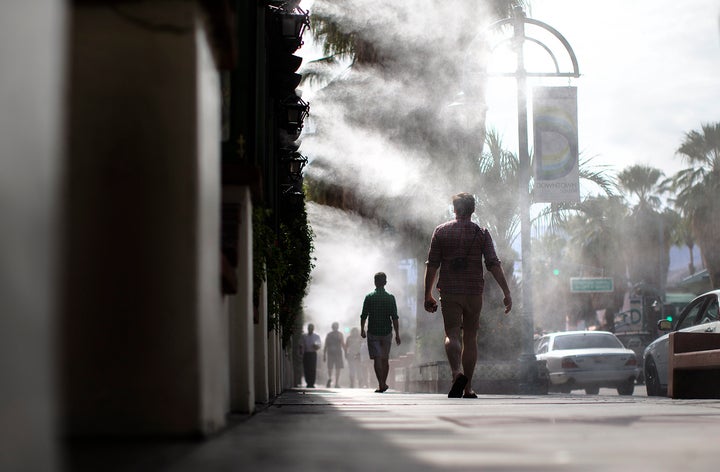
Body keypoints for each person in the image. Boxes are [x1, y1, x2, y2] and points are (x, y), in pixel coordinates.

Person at [423, 192, 512, 399]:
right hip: (473, 292)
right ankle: (468, 388)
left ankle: (456, 373)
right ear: (472, 210)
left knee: (451, 334)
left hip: (450, 291)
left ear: (454, 209)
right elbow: (493, 264)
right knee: (470, 337)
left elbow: (432, 265)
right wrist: (506, 292)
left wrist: (427, 293)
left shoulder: (441, 232)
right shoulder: (481, 233)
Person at [360, 272, 401, 393]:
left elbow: (364, 315)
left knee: (377, 358)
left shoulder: (369, 297)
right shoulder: (390, 298)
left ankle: (381, 383)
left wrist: (362, 329)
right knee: (385, 358)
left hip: (373, 331)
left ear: (375, 282)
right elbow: (394, 317)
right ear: (385, 282)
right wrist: (397, 334)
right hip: (387, 332)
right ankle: (383, 382)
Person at [323, 322, 346, 388]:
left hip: (331, 353)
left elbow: (326, 345)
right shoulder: (340, 334)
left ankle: (330, 378)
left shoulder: (329, 334)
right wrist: (346, 352)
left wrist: (324, 354)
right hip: (338, 353)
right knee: (337, 368)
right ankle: (336, 383)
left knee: (330, 367)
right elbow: (342, 344)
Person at [300, 323, 322, 388]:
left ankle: (312, 383)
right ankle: (308, 382)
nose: (310, 329)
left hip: (313, 353)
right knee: (306, 368)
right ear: (308, 329)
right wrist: (301, 351)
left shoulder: (316, 336)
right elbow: (301, 344)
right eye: (309, 328)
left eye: (311, 328)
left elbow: (319, 345)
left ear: (313, 329)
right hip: (306, 353)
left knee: (312, 368)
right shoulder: (304, 336)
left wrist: (316, 346)